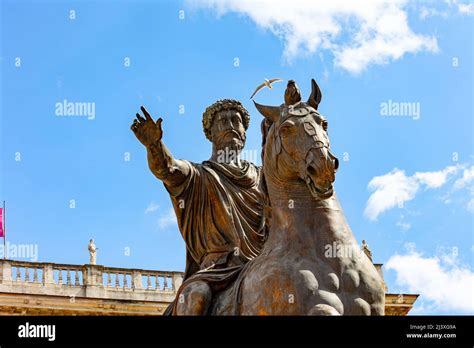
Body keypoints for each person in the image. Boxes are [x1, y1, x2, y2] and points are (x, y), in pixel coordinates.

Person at [131, 100, 266, 315]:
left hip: (261, 265)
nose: (230, 125)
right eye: (223, 121)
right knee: (195, 296)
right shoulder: (198, 176)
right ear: (210, 133)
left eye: (236, 121)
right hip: (217, 271)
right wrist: (154, 145)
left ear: (244, 132)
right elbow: (168, 169)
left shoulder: (264, 179)